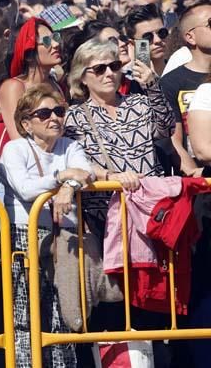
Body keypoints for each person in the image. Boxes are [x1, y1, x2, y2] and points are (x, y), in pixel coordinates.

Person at [0, 84, 93, 368]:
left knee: (62, 313)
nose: (54, 118)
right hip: (23, 235)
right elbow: (26, 190)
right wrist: (61, 177)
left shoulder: (70, 145)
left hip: (64, 235)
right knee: (25, 314)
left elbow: (84, 172)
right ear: (26, 123)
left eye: (59, 111)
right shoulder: (15, 149)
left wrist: (67, 187)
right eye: (43, 113)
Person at [64, 39, 174, 236]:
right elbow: (76, 162)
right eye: (99, 69)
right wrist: (111, 177)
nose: (109, 73)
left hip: (152, 211)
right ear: (82, 77)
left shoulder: (139, 103)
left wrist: (152, 85)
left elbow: (166, 130)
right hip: (107, 217)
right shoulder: (74, 116)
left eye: (114, 66)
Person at [0, 18, 63, 154]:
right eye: (47, 41)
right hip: (21, 166)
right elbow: (19, 140)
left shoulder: (55, 85)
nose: (56, 44)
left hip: (55, 158)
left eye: (55, 37)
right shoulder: (13, 87)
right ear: (29, 55)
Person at [160, 0, 211, 177]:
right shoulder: (171, 82)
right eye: (210, 23)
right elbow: (174, 139)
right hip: (200, 181)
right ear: (190, 37)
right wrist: (193, 174)